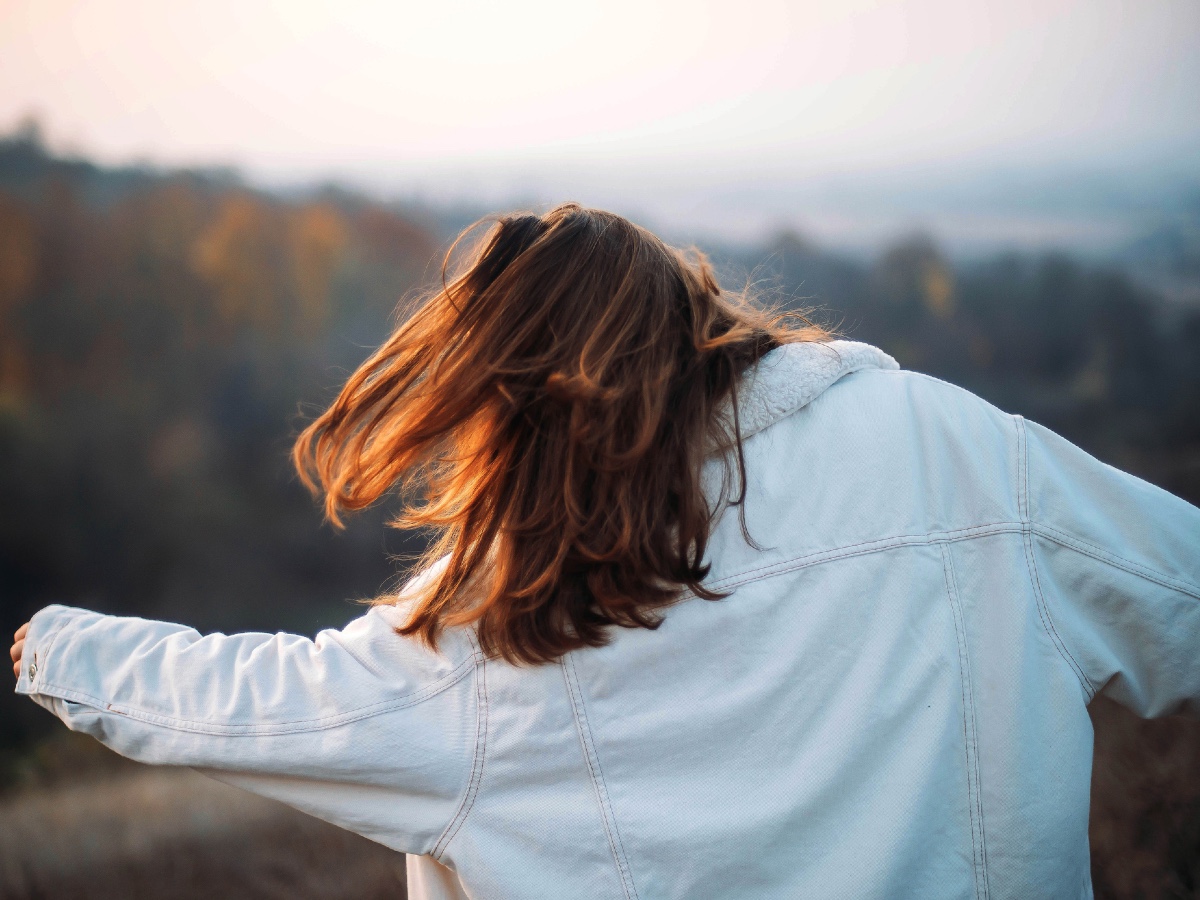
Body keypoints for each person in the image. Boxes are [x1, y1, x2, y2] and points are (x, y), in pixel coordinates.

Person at [9, 203, 1200, 899]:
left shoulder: (491, 640)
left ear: (504, 405)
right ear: (693, 320)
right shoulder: (954, 451)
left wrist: (51, 646)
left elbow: (263, 702)